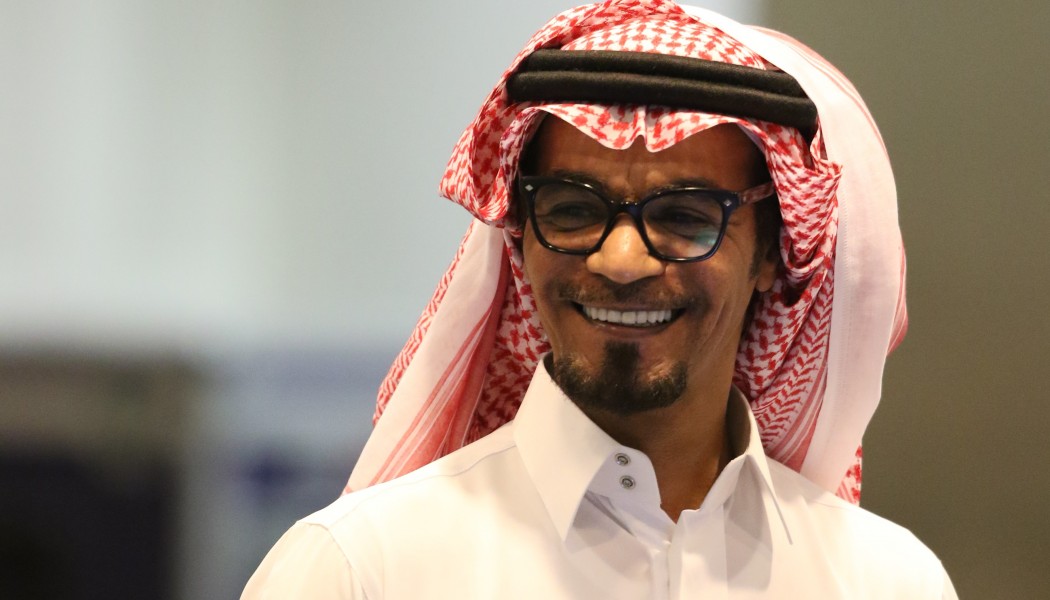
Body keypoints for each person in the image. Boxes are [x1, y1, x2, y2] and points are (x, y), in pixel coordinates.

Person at [243, 1, 956, 597]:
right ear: (518, 235)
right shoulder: (362, 570)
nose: (620, 261)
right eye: (573, 210)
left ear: (772, 252)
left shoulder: (885, 581)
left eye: (685, 217)